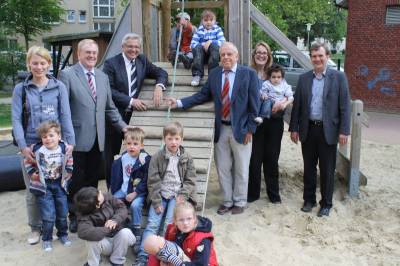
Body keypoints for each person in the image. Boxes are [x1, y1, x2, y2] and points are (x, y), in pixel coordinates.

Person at [168, 42, 260, 215]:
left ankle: (239, 201)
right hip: (221, 129)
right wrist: (179, 102)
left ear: (237, 57)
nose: (225, 57)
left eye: (229, 54)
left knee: (241, 167)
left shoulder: (249, 74)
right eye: (223, 54)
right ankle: (227, 200)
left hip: (241, 129)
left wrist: (250, 129)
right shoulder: (215, 74)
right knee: (223, 168)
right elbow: (202, 95)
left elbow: (255, 105)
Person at [58, 39, 128, 233]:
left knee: (92, 180)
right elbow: (62, 109)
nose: (91, 56)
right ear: (78, 54)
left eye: (94, 53)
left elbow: (109, 108)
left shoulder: (102, 76)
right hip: (76, 138)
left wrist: (124, 127)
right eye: (87, 52)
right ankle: (74, 215)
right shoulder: (67, 75)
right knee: (76, 181)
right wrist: (64, 137)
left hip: (99, 138)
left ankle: (88, 214)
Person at [11, 45, 75, 245]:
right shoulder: (21, 89)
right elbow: (15, 119)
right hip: (31, 146)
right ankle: (35, 228)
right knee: (34, 188)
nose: (39, 67)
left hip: (55, 146)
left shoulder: (59, 87)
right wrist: (23, 146)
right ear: (29, 64)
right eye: (35, 63)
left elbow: (65, 115)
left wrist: (70, 142)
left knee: (57, 187)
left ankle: (58, 227)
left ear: (49, 64)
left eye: (43, 63)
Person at [289, 42, 351, 217]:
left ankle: (326, 203)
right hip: (308, 130)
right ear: (311, 58)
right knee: (308, 168)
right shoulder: (304, 79)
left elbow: (345, 107)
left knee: (327, 170)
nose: (317, 59)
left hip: (328, 132)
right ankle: (309, 200)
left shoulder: (339, 78)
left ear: (327, 57)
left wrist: (344, 131)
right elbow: (298, 106)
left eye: (320, 56)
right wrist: (294, 128)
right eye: (314, 56)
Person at [103, 33, 168, 188]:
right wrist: (131, 101)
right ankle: (113, 190)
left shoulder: (142, 60)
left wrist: (159, 86)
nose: (134, 50)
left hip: (135, 118)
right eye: (130, 46)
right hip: (114, 117)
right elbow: (108, 90)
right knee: (112, 157)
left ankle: (130, 189)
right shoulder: (111, 64)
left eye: (137, 47)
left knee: (133, 155)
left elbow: (161, 72)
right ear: (123, 47)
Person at [133, 121, 197, 266]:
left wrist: (183, 195)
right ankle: (143, 256)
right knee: (152, 224)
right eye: (170, 139)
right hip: (160, 195)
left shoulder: (187, 157)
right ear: (164, 139)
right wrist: (156, 201)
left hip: (177, 196)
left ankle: (163, 255)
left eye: (176, 139)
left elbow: (190, 180)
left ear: (182, 139)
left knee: (169, 225)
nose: (173, 142)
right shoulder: (157, 157)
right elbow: (153, 181)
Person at [248, 62, 293, 204]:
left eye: (278, 77)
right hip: (259, 123)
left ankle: (273, 194)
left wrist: (284, 102)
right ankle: (253, 193)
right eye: (274, 77)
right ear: (270, 76)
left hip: (275, 123)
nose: (276, 79)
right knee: (255, 160)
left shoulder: (283, 83)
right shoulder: (253, 75)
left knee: (272, 159)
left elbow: (290, 96)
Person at [24, 121, 73, 251]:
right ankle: (47, 238)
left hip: (59, 185)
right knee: (48, 215)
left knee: (62, 212)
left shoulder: (63, 148)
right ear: (41, 138)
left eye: (51, 135)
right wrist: (31, 173)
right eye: (45, 137)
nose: (48, 139)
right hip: (44, 186)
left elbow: (69, 159)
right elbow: (27, 160)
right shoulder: (37, 149)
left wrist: (68, 171)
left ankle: (62, 234)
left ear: (59, 136)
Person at [109, 127, 151, 250]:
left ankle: (136, 232)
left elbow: (146, 180)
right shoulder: (122, 158)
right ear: (124, 144)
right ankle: (117, 226)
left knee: (135, 205)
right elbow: (116, 177)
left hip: (138, 192)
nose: (131, 147)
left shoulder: (145, 160)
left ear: (141, 145)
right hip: (123, 189)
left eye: (135, 144)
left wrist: (135, 193)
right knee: (111, 202)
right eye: (129, 144)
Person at [75, 187, 135, 266]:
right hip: (105, 243)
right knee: (90, 239)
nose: (100, 191)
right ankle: (93, 263)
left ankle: (117, 261)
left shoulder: (107, 197)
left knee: (126, 232)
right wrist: (107, 228)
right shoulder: (84, 215)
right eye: (98, 194)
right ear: (97, 205)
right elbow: (83, 232)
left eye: (98, 191)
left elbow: (122, 207)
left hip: (120, 240)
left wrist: (115, 220)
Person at [145, 201, 218, 266]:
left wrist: (180, 264)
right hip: (180, 258)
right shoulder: (172, 229)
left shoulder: (203, 239)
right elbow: (166, 248)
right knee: (155, 253)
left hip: (199, 263)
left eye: (189, 219)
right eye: (181, 220)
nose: (185, 223)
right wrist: (164, 261)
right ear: (175, 221)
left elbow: (201, 264)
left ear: (194, 219)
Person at [190, 9, 226, 86]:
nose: (208, 22)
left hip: (214, 57)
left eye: (211, 20)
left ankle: (212, 76)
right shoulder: (199, 31)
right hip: (201, 57)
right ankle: (197, 74)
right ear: (202, 21)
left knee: (215, 45)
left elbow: (223, 42)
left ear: (215, 21)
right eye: (206, 20)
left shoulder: (217, 30)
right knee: (197, 46)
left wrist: (210, 42)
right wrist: (203, 44)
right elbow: (192, 44)